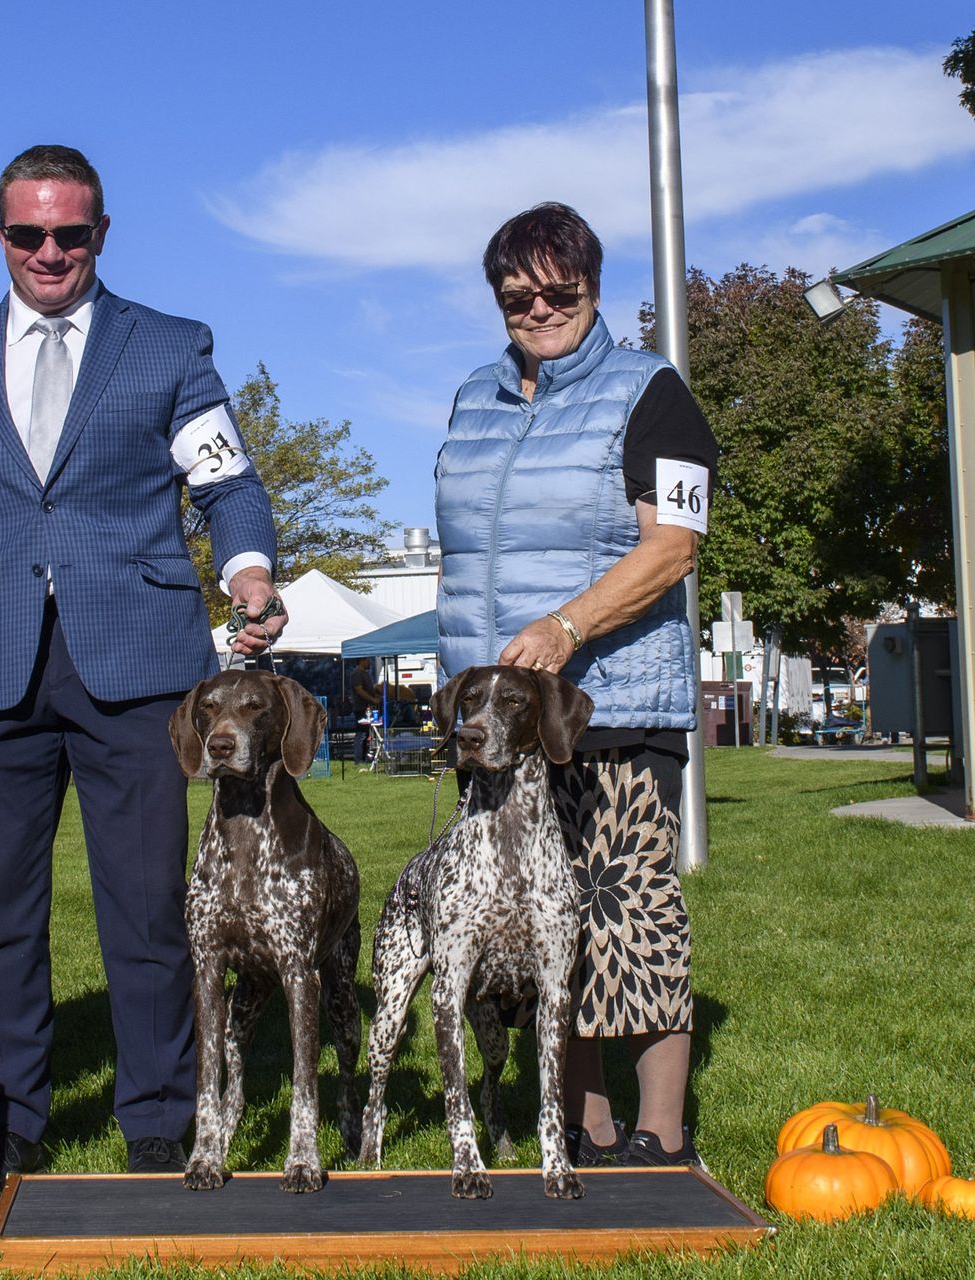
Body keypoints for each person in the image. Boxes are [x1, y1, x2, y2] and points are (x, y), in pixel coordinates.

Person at [0, 145, 284, 1194]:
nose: (49, 251)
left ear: (101, 232)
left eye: (69, 233)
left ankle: (159, 1119)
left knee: (146, 904)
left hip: (138, 667)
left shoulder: (169, 347)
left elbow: (229, 486)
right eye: (28, 233)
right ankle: (5, 1124)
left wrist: (247, 571)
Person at [433, 202, 716, 1167]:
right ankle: (580, 1127)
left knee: (625, 912)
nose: (541, 309)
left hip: (616, 708)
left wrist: (567, 627)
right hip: (499, 724)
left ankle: (661, 1134)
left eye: (562, 290)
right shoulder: (472, 400)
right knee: (540, 925)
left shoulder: (652, 393)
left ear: (594, 288)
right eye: (519, 296)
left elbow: (672, 549)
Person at [350, 656, 382, 761]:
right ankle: (359, 758)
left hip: (367, 708)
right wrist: (372, 699)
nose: (369, 663)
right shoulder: (357, 674)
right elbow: (359, 690)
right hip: (361, 708)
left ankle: (365, 756)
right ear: (362, 661)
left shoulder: (365, 674)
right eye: (367, 661)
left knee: (367, 734)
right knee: (361, 734)